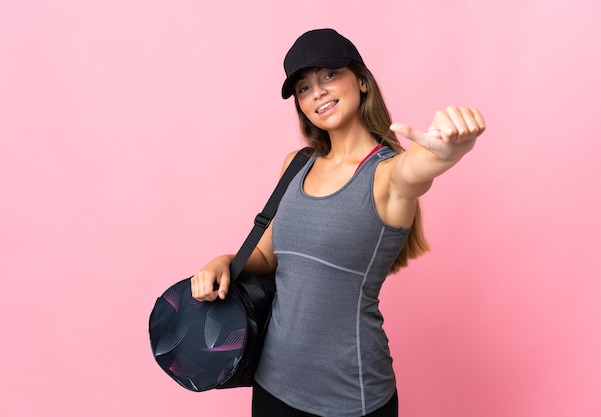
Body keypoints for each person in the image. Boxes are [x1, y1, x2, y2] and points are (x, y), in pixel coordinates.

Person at [191, 28, 485, 417]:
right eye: (303, 88)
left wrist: (449, 151)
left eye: (329, 74)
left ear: (361, 81)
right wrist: (222, 261)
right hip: (270, 384)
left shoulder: (387, 176)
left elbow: (420, 168)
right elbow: (267, 255)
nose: (318, 93)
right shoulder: (295, 165)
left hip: (349, 399)